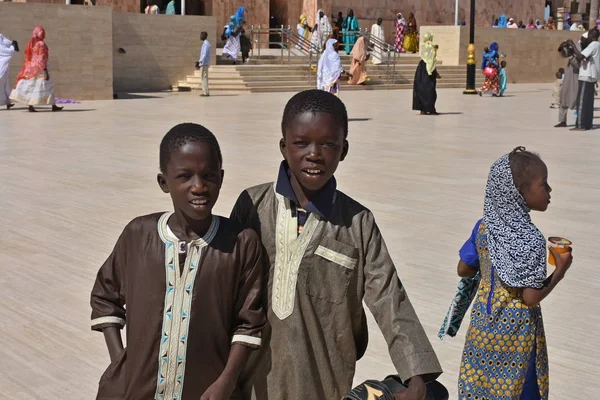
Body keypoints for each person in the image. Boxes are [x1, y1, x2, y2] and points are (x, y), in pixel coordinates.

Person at [230, 89, 443, 400]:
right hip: (251, 378)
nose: (314, 154)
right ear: (283, 147)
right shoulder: (252, 204)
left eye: (328, 144)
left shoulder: (358, 223)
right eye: (301, 143)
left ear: (343, 150)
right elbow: (224, 286)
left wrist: (415, 373)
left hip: (325, 377)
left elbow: (388, 296)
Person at [91, 123, 266, 400]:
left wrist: (227, 381)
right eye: (185, 176)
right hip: (136, 391)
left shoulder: (242, 243)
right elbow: (104, 296)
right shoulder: (138, 235)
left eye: (208, 176)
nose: (199, 186)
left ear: (220, 178)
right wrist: (120, 362)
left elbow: (249, 322)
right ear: (164, 182)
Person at [454, 146, 572, 400]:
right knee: (520, 389)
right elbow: (530, 297)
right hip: (516, 333)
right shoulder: (530, 239)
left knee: (481, 389)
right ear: (520, 192)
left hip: (482, 328)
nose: (549, 191)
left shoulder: (484, 226)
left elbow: (463, 268)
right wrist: (560, 270)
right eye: (544, 184)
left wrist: (489, 267)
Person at [10, 26, 62, 112]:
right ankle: (52, 106)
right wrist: (45, 70)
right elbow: (41, 57)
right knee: (48, 85)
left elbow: (29, 56)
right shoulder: (41, 44)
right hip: (41, 68)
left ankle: (35, 106)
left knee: (32, 86)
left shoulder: (31, 43)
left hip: (32, 67)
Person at [573, 28, 600, 130]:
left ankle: (580, 125)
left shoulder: (594, 45)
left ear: (593, 36)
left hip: (586, 75)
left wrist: (572, 45)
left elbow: (580, 57)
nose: (587, 38)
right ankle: (588, 124)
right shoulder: (597, 46)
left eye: (589, 36)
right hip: (592, 76)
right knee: (588, 102)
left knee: (581, 101)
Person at [555, 39, 581, 127]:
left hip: (575, 80)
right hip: (568, 79)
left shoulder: (578, 53)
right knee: (563, 97)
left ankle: (580, 120)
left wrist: (571, 56)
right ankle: (562, 120)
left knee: (576, 100)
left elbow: (578, 66)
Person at [413, 32, 440, 115]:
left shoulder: (424, 45)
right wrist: (435, 72)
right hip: (428, 69)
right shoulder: (431, 46)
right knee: (430, 90)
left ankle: (422, 110)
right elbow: (431, 60)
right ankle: (431, 109)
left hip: (421, 68)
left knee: (420, 89)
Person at [0, 34, 17, 110]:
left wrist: (11, 43)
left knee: (6, 84)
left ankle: (8, 102)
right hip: (2, 67)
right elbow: (7, 52)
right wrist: (12, 46)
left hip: (4, 67)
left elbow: (5, 41)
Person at [198, 31, 211, 97]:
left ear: (205, 36)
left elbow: (204, 54)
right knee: (203, 77)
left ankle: (205, 92)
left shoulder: (206, 44)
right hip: (204, 63)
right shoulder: (206, 43)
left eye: (201, 35)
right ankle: (205, 91)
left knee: (204, 78)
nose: (200, 36)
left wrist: (200, 61)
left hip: (204, 63)